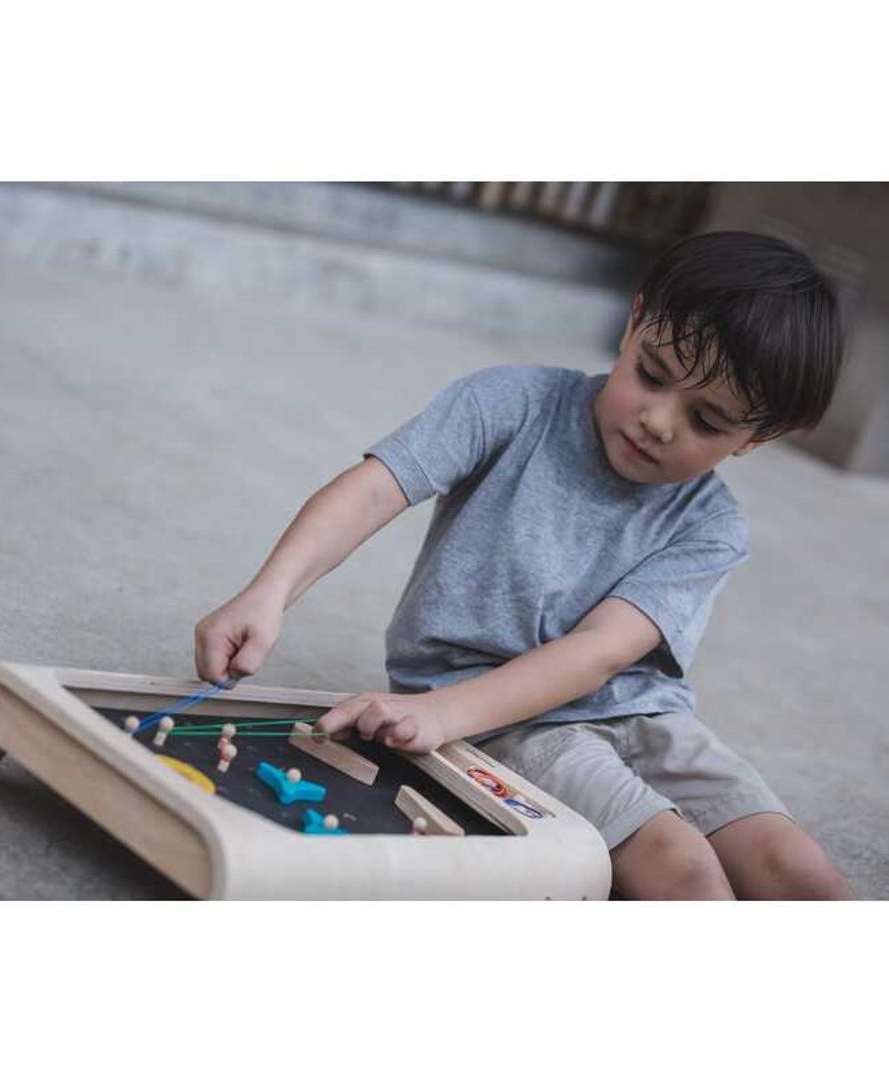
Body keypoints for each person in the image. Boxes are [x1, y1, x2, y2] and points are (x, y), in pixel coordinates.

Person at [194, 230, 855, 900]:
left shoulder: (710, 525)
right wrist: (269, 592)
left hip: (648, 717)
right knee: (680, 867)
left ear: (757, 437)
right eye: (651, 375)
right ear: (634, 320)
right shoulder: (511, 403)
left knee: (795, 867)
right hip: (508, 716)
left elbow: (601, 650)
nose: (658, 420)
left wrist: (443, 716)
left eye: (708, 420)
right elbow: (373, 489)